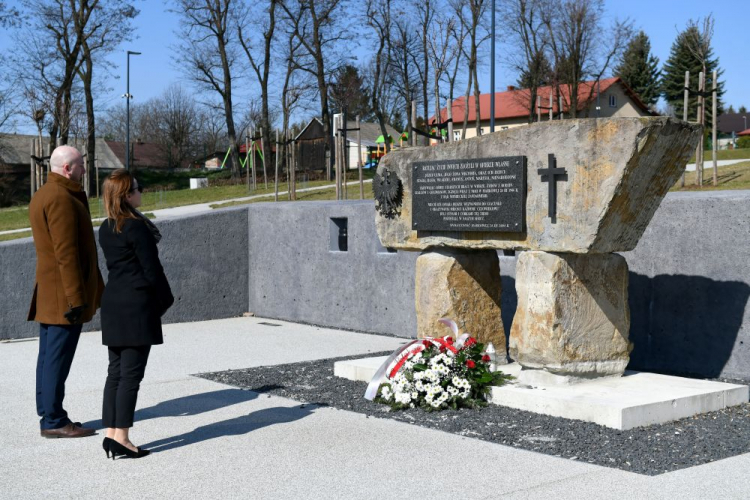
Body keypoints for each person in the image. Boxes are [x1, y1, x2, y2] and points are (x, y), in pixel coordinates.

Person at [28, 145, 104, 439]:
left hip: (51, 293)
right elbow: (66, 254)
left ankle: (48, 413)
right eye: (81, 165)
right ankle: (54, 420)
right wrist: (76, 298)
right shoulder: (61, 198)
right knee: (56, 359)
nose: (85, 170)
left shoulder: (45, 193)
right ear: (68, 168)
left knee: (48, 357)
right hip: (63, 297)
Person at [99, 169, 173, 459]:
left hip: (114, 303)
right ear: (128, 195)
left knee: (115, 372)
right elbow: (151, 269)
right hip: (135, 305)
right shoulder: (135, 227)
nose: (142, 192)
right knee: (130, 375)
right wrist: (164, 301)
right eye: (138, 189)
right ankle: (124, 439)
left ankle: (111, 435)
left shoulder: (107, 227)